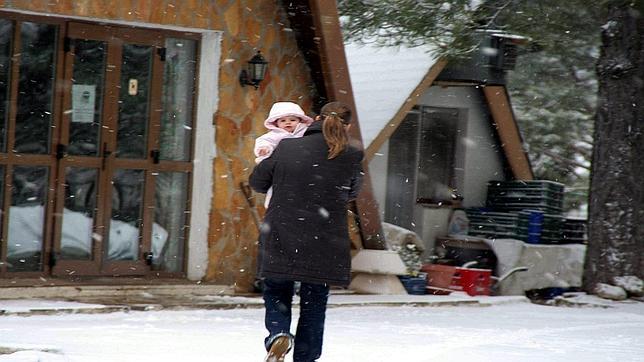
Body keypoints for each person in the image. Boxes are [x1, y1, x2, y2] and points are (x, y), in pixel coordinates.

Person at [249, 101, 364, 362]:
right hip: (325, 237)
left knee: (277, 289)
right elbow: (353, 191)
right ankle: (306, 357)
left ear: (314, 119)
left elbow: (257, 182)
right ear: (347, 126)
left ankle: (278, 334)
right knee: (315, 301)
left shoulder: (288, 147)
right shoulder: (352, 155)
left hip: (282, 231)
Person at [254, 101, 314, 208]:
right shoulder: (275, 135)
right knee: (277, 185)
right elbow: (265, 142)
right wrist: (264, 149)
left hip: (303, 166)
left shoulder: (305, 132)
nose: (288, 123)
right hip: (282, 167)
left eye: (292, 120)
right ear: (276, 123)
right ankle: (273, 203)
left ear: (300, 121)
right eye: (283, 121)